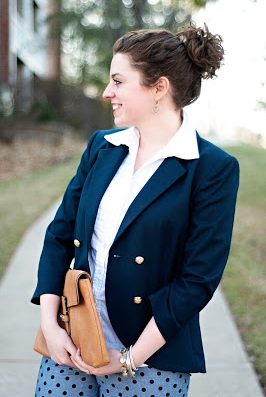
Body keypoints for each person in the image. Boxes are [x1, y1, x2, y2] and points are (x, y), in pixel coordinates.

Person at [32, 22, 239, 397]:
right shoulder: (102, 146)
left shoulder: (212, 168)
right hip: (73, 337)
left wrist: (129, 358)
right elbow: (59, 235)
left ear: (159, 87)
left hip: (152, 356)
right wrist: (51, 326)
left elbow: (198, 280)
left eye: (119, 81)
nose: (108, 92)